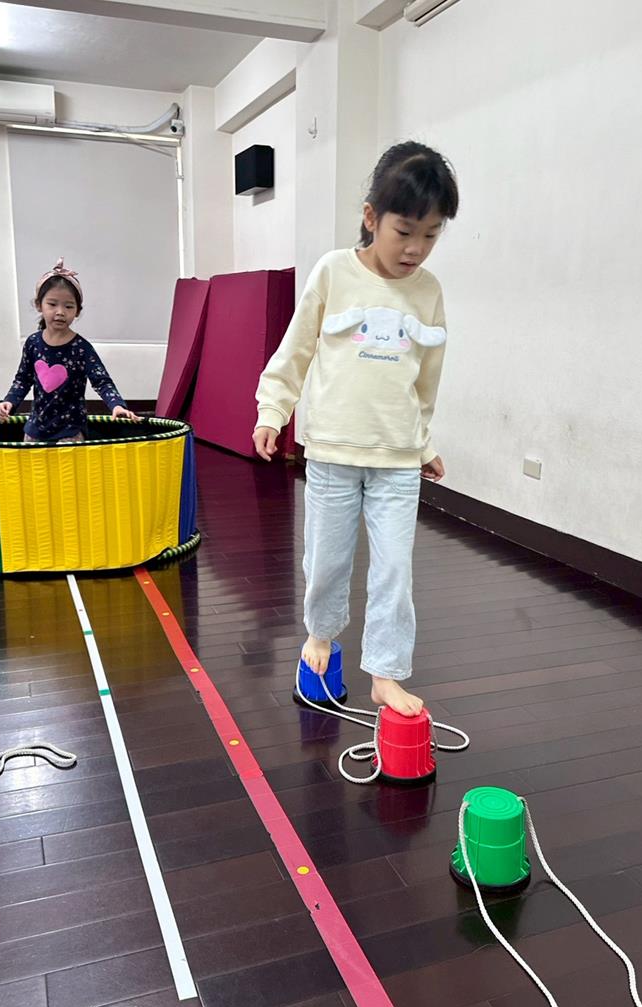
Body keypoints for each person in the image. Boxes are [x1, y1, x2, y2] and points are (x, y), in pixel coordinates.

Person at [253, 141, 458, 716]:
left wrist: (423, 443)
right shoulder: (333, 272)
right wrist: (273, 410)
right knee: (327, 560)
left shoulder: (428, 291)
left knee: (394, 570)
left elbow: (425, 382)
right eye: (404, 231)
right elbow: (295, 349)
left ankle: (386, 673)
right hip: (333, 452)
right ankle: (320, 636)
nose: (416, 249)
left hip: (397, 458)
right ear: (371, 217)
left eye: (432, 235)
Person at [0, 258, 140, 442]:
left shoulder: (81, 348)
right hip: (36, 430)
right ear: (39, 305)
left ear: (77, 311)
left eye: (68, 306)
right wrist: (10, 402)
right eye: (52, 304)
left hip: (70, 431)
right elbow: (23, 379)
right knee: (32, 462)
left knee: (67, 462)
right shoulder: (33, 343)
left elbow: (101, 381)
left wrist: (117, 405)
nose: (60, 312)